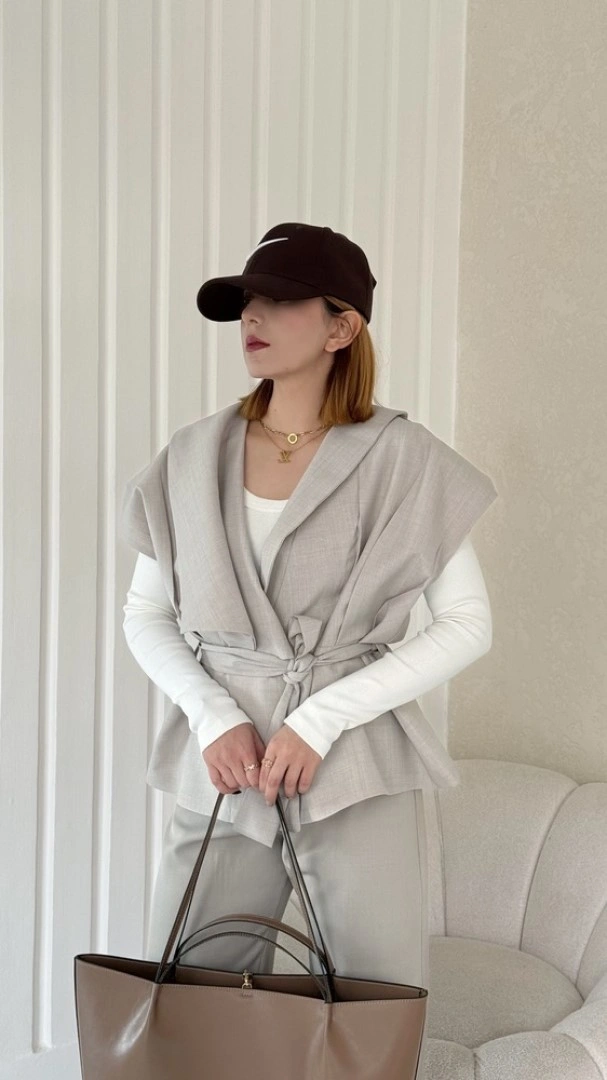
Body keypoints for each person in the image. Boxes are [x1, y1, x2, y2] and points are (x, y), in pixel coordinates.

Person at [120, 221, 498, 1078]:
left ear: (341, 326)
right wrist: (213, 716)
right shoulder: (190, 456)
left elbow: (465, 624)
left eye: (280, 301)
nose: (252, 317)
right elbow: (146, 614)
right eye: (245, 301)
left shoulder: (404, 460)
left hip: (354, 763)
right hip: (223, 767)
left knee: (372, 1007)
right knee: (186, 997)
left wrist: (321, 720)